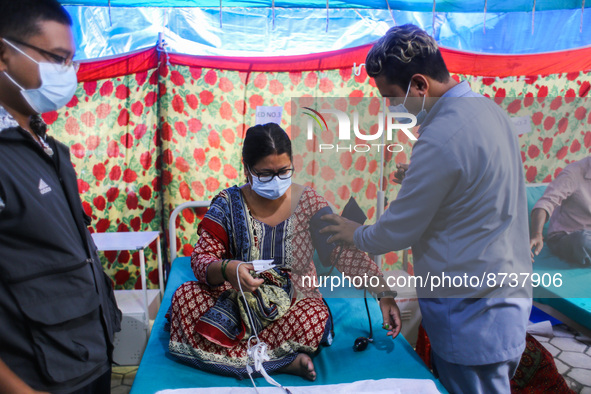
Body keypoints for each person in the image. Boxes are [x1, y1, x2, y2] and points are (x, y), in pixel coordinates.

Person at [321, 24, 532, 393]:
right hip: (506, 295)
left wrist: (353, 233)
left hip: (472, 313)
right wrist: (415, 176)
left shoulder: (440, 137)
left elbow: (396, 231)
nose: (391, 107)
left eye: (391, 97)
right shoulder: (488, 111)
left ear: (420, 85)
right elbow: (474, 183)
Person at [166, 123, 401, 381]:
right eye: (265, 174)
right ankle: (282, 362)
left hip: (292, 304)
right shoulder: (227, 203)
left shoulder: (308, 202)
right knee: (184, 298)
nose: (276, 181)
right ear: (247, 169)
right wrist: (227, 269)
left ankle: (238, 355)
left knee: (313, 318)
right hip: (237, 301)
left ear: (292, 164)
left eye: (284, 171)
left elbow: (344, 254)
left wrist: (384, 293)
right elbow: (202, 259)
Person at [0, 1, 121, 393]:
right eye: (57, 58)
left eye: (71, 61)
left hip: (85, 357)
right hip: (37, 377)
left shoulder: (48, 148)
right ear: (4, 55)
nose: (67, 73)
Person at [530, 156, 591, 265]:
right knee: (583, 242)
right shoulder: (573, 173)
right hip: (568, 236)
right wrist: (537, 233)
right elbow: (546, 203)